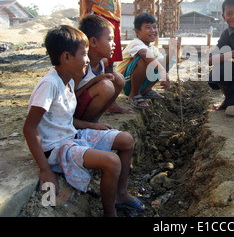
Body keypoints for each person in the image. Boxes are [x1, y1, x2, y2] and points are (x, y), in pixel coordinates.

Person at [23, 25, 144, 217]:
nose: (87, 60)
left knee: (126, 140)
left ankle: (120, 194)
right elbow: (29, 128)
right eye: (84, 54)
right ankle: (109, 212)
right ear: (66, 57)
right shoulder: (49, 85)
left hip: (71, 135)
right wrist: (45, 169)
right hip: (55, 149)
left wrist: (91, 126)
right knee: (112, 161)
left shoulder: (69, 80)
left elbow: (64, 120)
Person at [75, 14, 132, 123]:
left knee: (118, 78)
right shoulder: (81, 67)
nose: (114, 45)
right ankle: (89, 123)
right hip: (75, 112)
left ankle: (99, 115)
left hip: (86, 103)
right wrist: (94, 81)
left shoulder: (102, 62)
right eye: (110, 39)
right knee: (106, 86)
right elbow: (70, 97)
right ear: (93, 42)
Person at [116, 13, 176, 110]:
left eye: (155, 27)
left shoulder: (152, 48)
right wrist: (162, 72)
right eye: (148, 28)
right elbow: (145, 55)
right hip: (125, 83)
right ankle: (133, 95)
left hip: (139, 83)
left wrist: (172, 50)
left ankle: (145, 91)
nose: (153, 31)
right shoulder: (136, 43)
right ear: (137, 31)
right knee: (144, 60)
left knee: (165, 61)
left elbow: (163, 63)